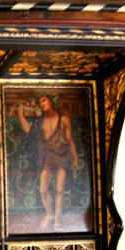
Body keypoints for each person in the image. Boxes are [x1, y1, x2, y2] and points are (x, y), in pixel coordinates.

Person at [17, 94, 79, 230]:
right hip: (47, 156)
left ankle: (57, 219)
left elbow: (70, 140)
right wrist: (21, 115)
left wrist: (75, 158)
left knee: (59, 189)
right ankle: (50, 214)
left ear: (52, 101)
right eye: (40, 102)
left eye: (44, 100)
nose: (42, 104)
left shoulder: (63, 119)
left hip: (62, 156)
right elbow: (28, 130)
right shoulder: (40, 121)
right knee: (43, 189)